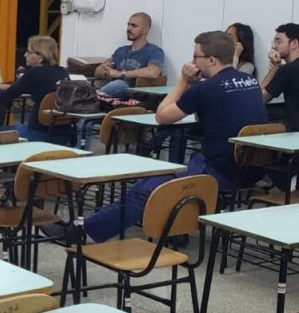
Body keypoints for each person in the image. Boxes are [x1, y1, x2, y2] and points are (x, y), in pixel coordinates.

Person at [83, 31, 267, 243]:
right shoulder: (250, 81)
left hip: (220, 170)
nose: (191, 61)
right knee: (179, 168)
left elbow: (161, 116)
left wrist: (183, 81)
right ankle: (176, 229)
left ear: (211, 60)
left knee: (146, 188)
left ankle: (86, 233)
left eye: (195, 56)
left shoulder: (204, 88)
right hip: (252, 169)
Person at [0, 35, 69, 142]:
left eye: (29, 52)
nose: (25, 55)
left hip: (38, 132)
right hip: (62, 133)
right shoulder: (63, 72)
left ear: (40, 55)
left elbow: (7, 95)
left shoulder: (34, 73)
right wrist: (2, 86)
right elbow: (24, 87)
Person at [94, 13, 165, 99]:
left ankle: (92, 98)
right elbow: (97, 71)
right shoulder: (121, 51)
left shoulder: (154, 51)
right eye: (128, 25)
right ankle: (92, 97)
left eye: (134, 26)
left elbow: (154, 72)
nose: (129, 28)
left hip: (135, 94)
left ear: (145, 30)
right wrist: (104, 72)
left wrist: (120, 74)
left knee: (119, 84)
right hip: (113, 93)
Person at [261, 23, 299, 132]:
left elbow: (260, 98)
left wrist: (275, 68)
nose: (274, 46)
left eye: (279, 41)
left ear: (294, 43)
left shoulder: (288, 70)